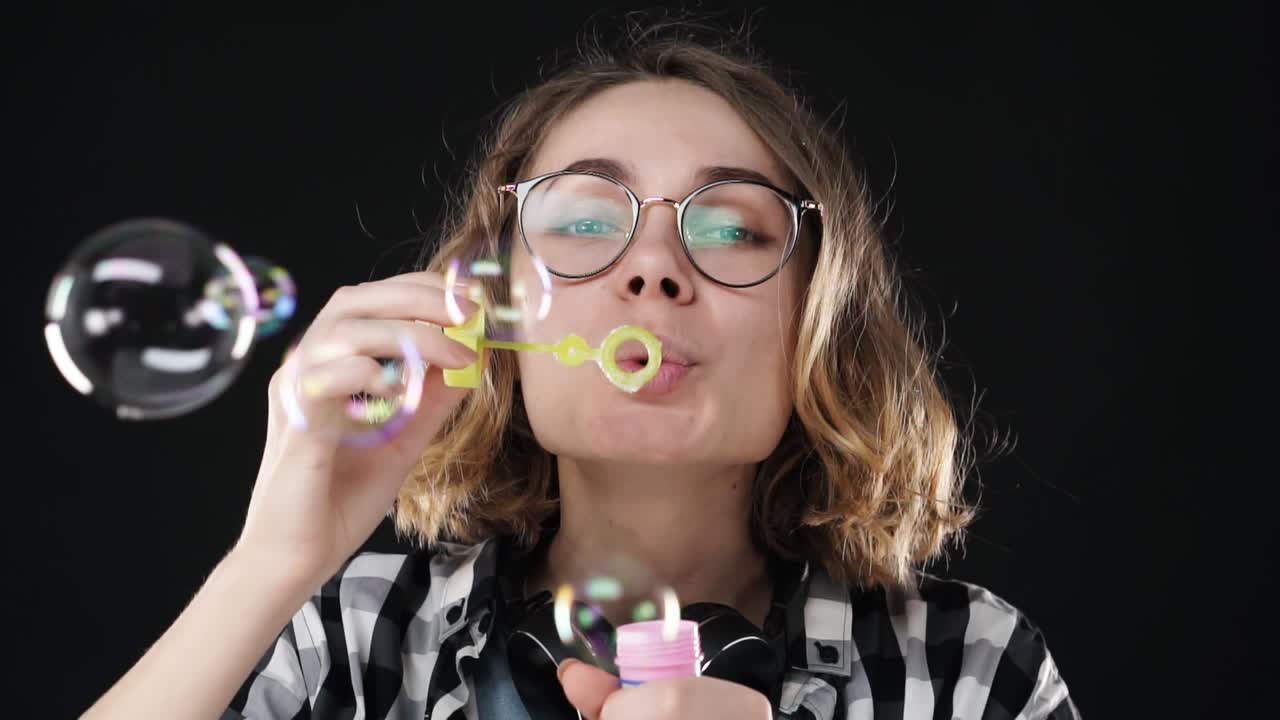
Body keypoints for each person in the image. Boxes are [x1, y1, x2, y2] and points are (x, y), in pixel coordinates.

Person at [83, 16, 1079, 720]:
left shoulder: (960, 669)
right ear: (492, 308)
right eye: (584, 219)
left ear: (815, 318)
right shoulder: (356, 635)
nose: (651, 267)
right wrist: (273, 562)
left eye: (729, 226)